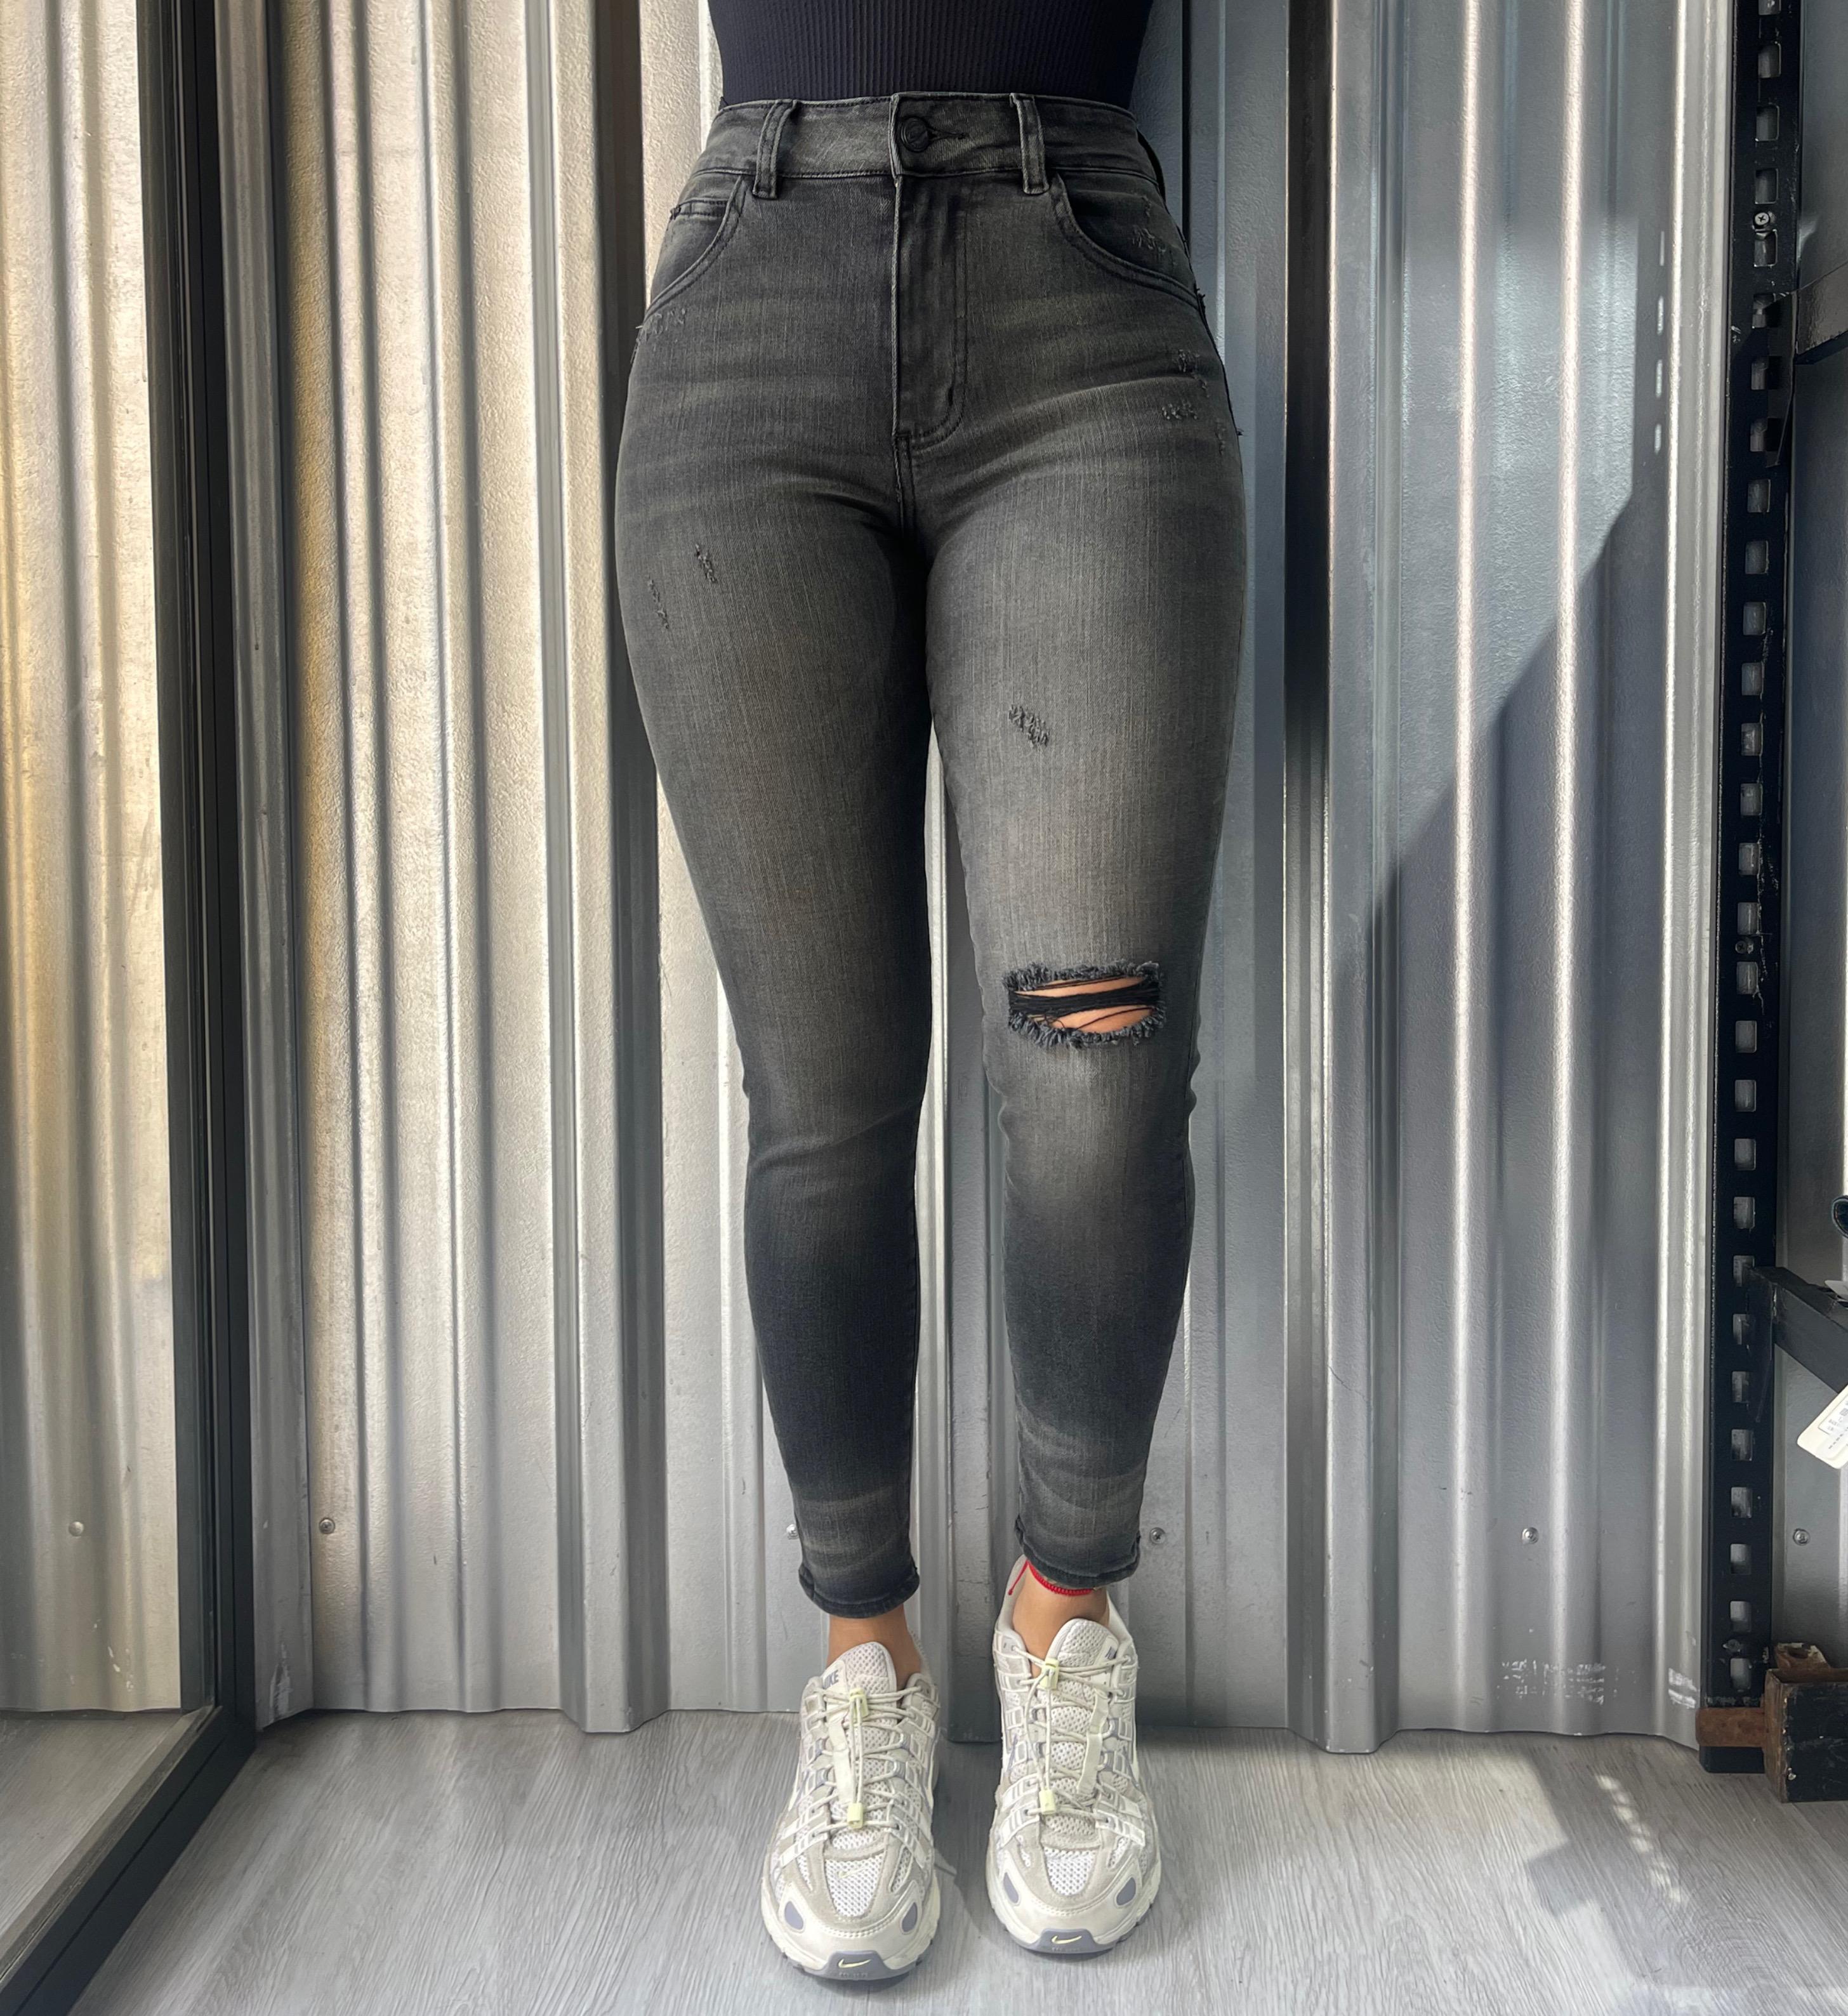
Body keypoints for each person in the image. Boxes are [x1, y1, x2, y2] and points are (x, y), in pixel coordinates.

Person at [612, 0, 1244, 1980]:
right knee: (821, 1097)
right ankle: (866, 1671)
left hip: (1080, 298)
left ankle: (1065, 1624)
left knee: (1098, 1063)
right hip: (754, 297)